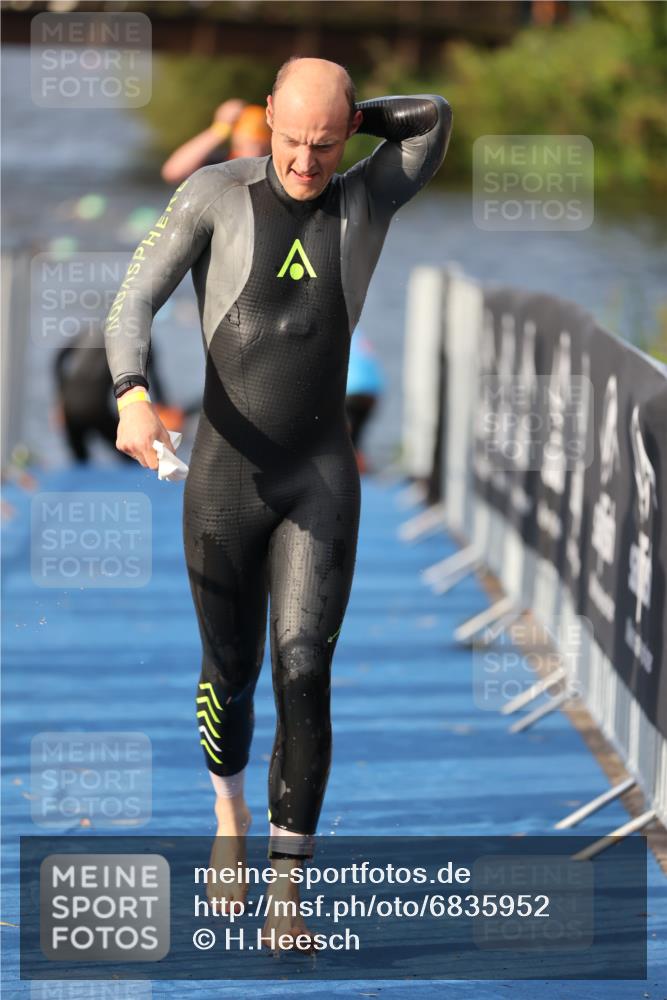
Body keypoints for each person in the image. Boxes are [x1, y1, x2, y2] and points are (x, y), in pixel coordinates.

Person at [105, 56, 451, 949]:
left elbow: (432, 117)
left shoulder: (366, 196)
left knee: (304, 667)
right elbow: (130, 301)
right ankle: (227, 813)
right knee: (232, 674)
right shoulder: (215, 194)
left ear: (345, 134)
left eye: (325, 143)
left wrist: (345, 113)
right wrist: (132, 392)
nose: (305, 162)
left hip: (317, 477)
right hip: (225, 475)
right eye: (291, 141)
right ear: (265, 119)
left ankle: (287, 883)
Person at [53, 324, 167, 464]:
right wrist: (163, 407)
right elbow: (152, 377)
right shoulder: (140, 339)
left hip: (69, 406)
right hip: (96, 408)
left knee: (80, 462)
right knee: (134, 456)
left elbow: (58, 359)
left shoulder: (90, 332)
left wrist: (60, 399)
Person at [161, 99, 272, 185]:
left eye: (262, 146)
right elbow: (173, 172)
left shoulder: (273, 169)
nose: (256, 152)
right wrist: (219, 129)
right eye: (249, 145)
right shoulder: (219, 165)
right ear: (236, 143)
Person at [345, 326, 385, 473]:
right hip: (373, 392)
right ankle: (359, 469)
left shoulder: (338, 334)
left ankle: (352, 471)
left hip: (352, 389)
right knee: (356, 435)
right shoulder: (359, 335)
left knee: (345, 436)